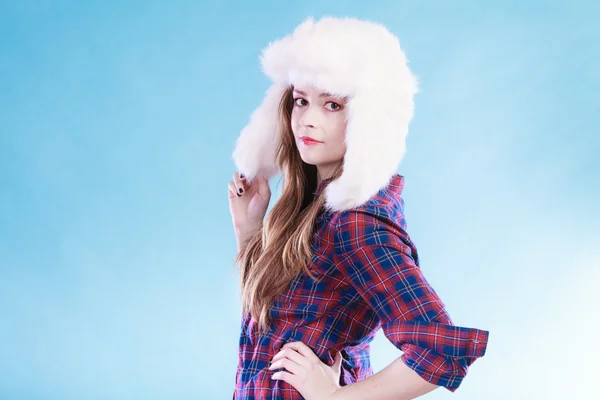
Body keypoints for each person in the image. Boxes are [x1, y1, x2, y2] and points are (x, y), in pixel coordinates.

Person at [228, 16, 489, 400]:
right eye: (301, 100)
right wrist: (249, 230)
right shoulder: (307, 211)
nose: (308, 119)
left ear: (370, 120)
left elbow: (439, 349)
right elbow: (268, 324)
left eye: (332, 104)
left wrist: (334, 397)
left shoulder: (356, 223)